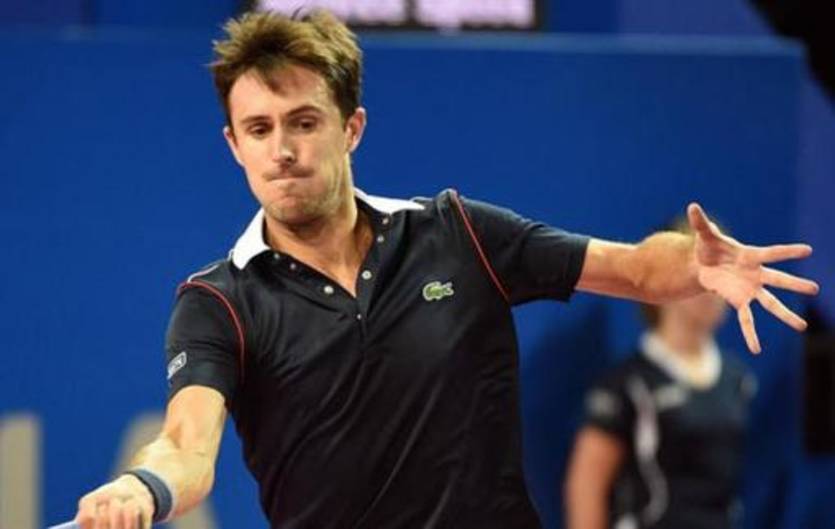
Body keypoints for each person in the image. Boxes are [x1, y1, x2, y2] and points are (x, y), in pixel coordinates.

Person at [72, 9, 819, 529]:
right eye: (258, 130)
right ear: (233, 145)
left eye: (303, 122)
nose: (283, 151)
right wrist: (143, 485)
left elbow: (636, 270)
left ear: (351, 127)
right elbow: (187, 444)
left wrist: (696, 261)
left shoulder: (457, 232)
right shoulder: (217, 301)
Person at [564, 220, 756, 529]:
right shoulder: (628, 385)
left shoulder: (739, 380)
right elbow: (587, 486)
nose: (716, 289)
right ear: (669, 281)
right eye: (705, 273)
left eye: (725, 273)